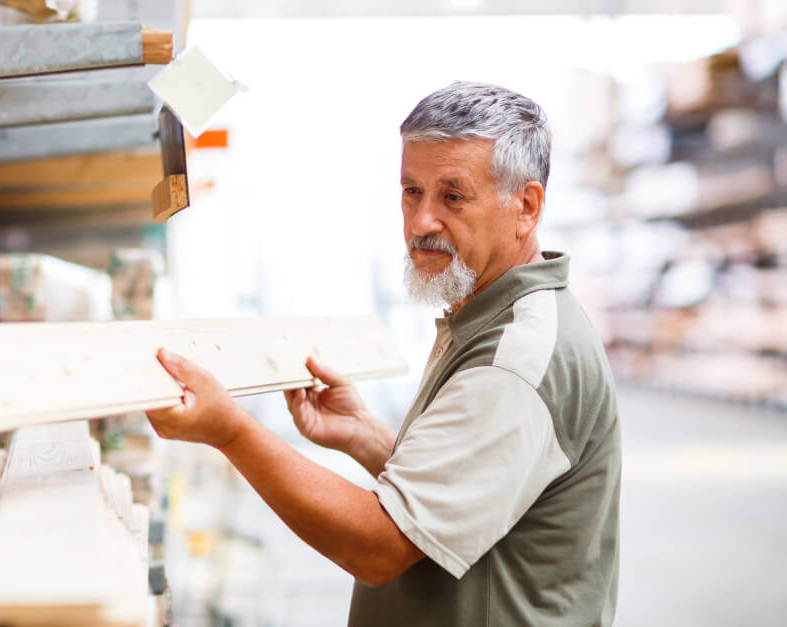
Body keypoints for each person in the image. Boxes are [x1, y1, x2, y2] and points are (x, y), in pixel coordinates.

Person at [147, 81, 621, 626]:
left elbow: (380, 546)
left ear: (526, 206)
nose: (421, 222)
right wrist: (366, 437)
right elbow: (462, 496)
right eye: (411, 191)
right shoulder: (491, 317)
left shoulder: (515, 360)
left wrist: (228, 430)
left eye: (453, 196)